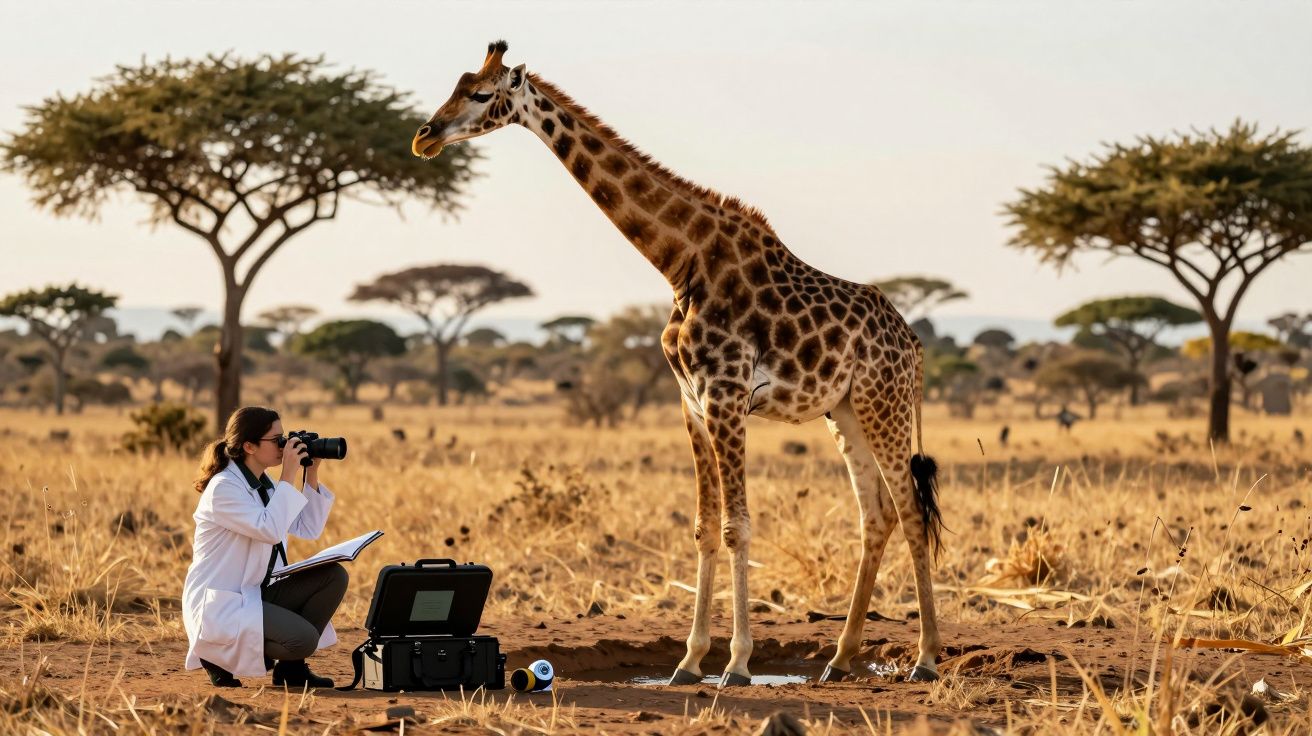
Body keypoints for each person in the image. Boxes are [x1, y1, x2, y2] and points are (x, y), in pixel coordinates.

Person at [182, 406, 347, 688]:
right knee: (304, 640)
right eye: (276, 440)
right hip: (222, 604)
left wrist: (311, 472)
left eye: (284, 438)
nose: (284, 446)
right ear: (249, 446)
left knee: (333, 576)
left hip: (255, 592)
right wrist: (288, 474)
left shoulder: (264, 485)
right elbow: (269, 529)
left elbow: (308, 527)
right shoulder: (223, 488)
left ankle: (291, 671)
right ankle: (216, 655)